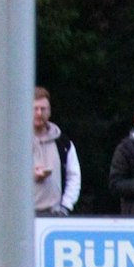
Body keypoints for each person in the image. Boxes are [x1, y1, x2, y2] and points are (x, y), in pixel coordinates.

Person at [31, 87, 80, 216]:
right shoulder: (13, 143)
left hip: (54, 214)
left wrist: (65, 207)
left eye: (43, 109)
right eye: (35, 109)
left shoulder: (63, 143)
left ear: (49, 111)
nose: (39, 113)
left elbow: (74, 176)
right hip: (20, 216)